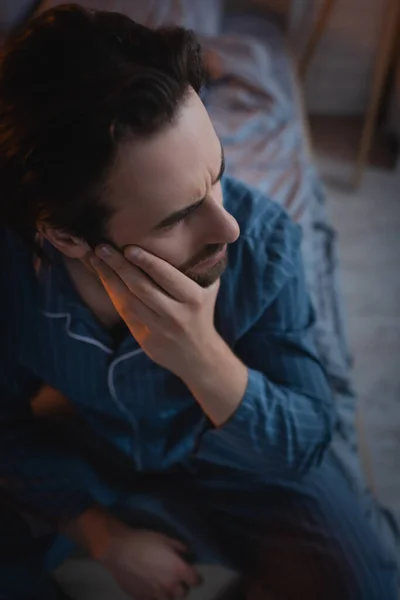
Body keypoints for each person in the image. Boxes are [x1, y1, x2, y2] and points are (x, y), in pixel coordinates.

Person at [0, 5, 397, 600]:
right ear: (66, 238)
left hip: (247, 465)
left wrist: (200, 354)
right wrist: (100, 534)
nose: (227, 226)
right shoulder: (16, 276)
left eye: (217, 175)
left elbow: (309, 442)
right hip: (98, 453)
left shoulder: (264, 244)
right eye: (181, 214)